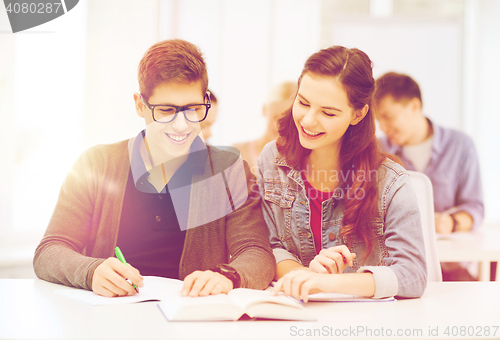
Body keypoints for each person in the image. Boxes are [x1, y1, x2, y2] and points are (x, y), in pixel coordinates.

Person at [33, 39, 275, 297]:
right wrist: (91, 271)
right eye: (166, 110)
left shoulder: (231, 172)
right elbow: (49, 251)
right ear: (139, 104)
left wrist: (227, 277)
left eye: (193, 109)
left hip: (190, 322)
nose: (181, 125)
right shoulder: (96, 163)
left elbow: (257, 254)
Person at [258, 46, 427, 301]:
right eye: (303, 103)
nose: (308, 121)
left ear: (358, 114)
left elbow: (412, 276)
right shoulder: (272, 160)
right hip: (295, 314)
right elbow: (269, 246)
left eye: (328, 112)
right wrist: (303, 277)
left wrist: (330, 283)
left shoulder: (390, 181)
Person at [372, 72, 484, 281]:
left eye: (387, 116)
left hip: (451, 268)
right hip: (396, 267)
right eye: (379, 120)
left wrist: (451, 222)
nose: (384, 127)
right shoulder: (378, 150)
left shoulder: (460, 145)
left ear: (414, 106)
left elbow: (474, 206)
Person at [233, 81, 296, 174]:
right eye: (275, 118)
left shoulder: (299, 161)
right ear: (264, 110)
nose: (278, 127)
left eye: (286, 122)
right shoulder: (238, 152)